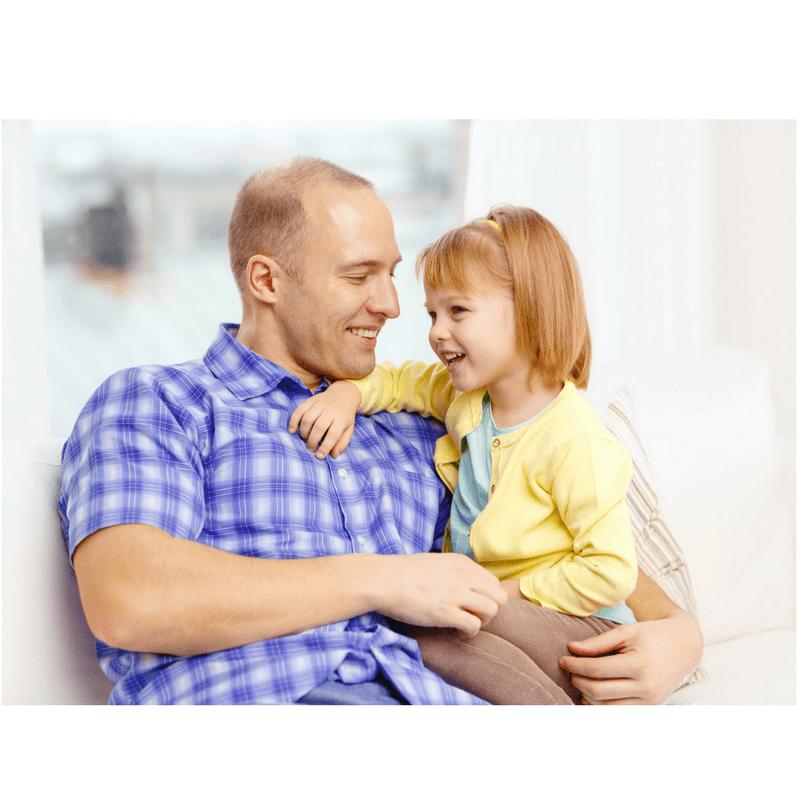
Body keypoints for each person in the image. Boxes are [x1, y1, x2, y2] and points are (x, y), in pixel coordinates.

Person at [59, 157, 702, 705]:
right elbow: (131, 599)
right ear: (266, 281)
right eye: (359, 275)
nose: (392, 305)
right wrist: (386, 579)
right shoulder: (160, 401)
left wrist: (678, 632)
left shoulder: (427, 424)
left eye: (391, 273)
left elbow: (564, 537)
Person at [289, 206, 638, 704]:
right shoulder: (469, 400)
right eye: (433, 313)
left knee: (433, 625)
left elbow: (609, 571)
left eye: (458, 311)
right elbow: (398, 380)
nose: (436, 331)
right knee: (432, 627)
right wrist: (347, 396)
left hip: (584, 627)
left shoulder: (575, 441)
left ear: (529, 311)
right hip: (509, 620)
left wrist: (501, 593)